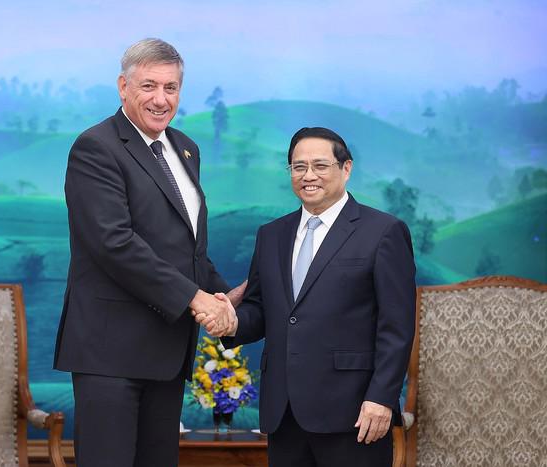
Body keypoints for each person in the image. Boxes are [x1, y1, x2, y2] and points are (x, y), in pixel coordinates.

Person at [53, 38, 240, 467]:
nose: (161, 99)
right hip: (111, 354)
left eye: (171, 88)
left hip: (167, 352)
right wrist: (195, 299)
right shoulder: (95, 146)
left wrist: (230, 302)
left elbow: (188, 252)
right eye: (149, 86)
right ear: (123, 86)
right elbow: (113, 243)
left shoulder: (186, 148)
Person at [199, 127, 416, 466]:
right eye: (298, 167)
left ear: (346, 169)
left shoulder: (383, 231)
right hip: (284, 413)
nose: (308, 176)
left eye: (320, 165)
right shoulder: (271, 235)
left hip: (355, 413)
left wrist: (381, 398)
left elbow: (397, 326)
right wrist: (231, 322)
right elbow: (261, 309)